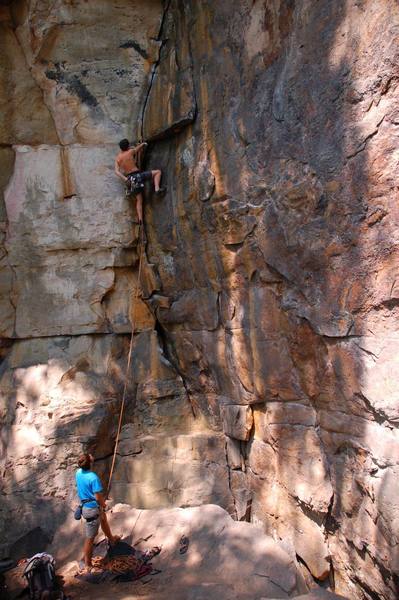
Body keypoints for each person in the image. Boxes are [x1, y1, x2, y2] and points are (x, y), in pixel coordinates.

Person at [75, 453, 120, 572]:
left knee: (103, 519)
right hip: (92, 509)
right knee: (90, 539)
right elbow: (98, 496)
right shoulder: (93, 477)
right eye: (90, 456)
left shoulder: (78, 473)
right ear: (90, 462)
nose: (91, 455)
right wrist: (104, 504)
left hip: (86, 505)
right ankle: (88, 564)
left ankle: (111, 539)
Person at [115, 138, 166, 223]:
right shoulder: (130, 152)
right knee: (157, 172)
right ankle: (157, 189)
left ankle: (140, 220)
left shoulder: (118, 159)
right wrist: (142, 144)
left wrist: (125, 179)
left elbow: (116, 171)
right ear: (127, 146)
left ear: (121, 148)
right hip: (138, 175)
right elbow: (136, 149)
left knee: (139, 200)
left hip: (131, 179)